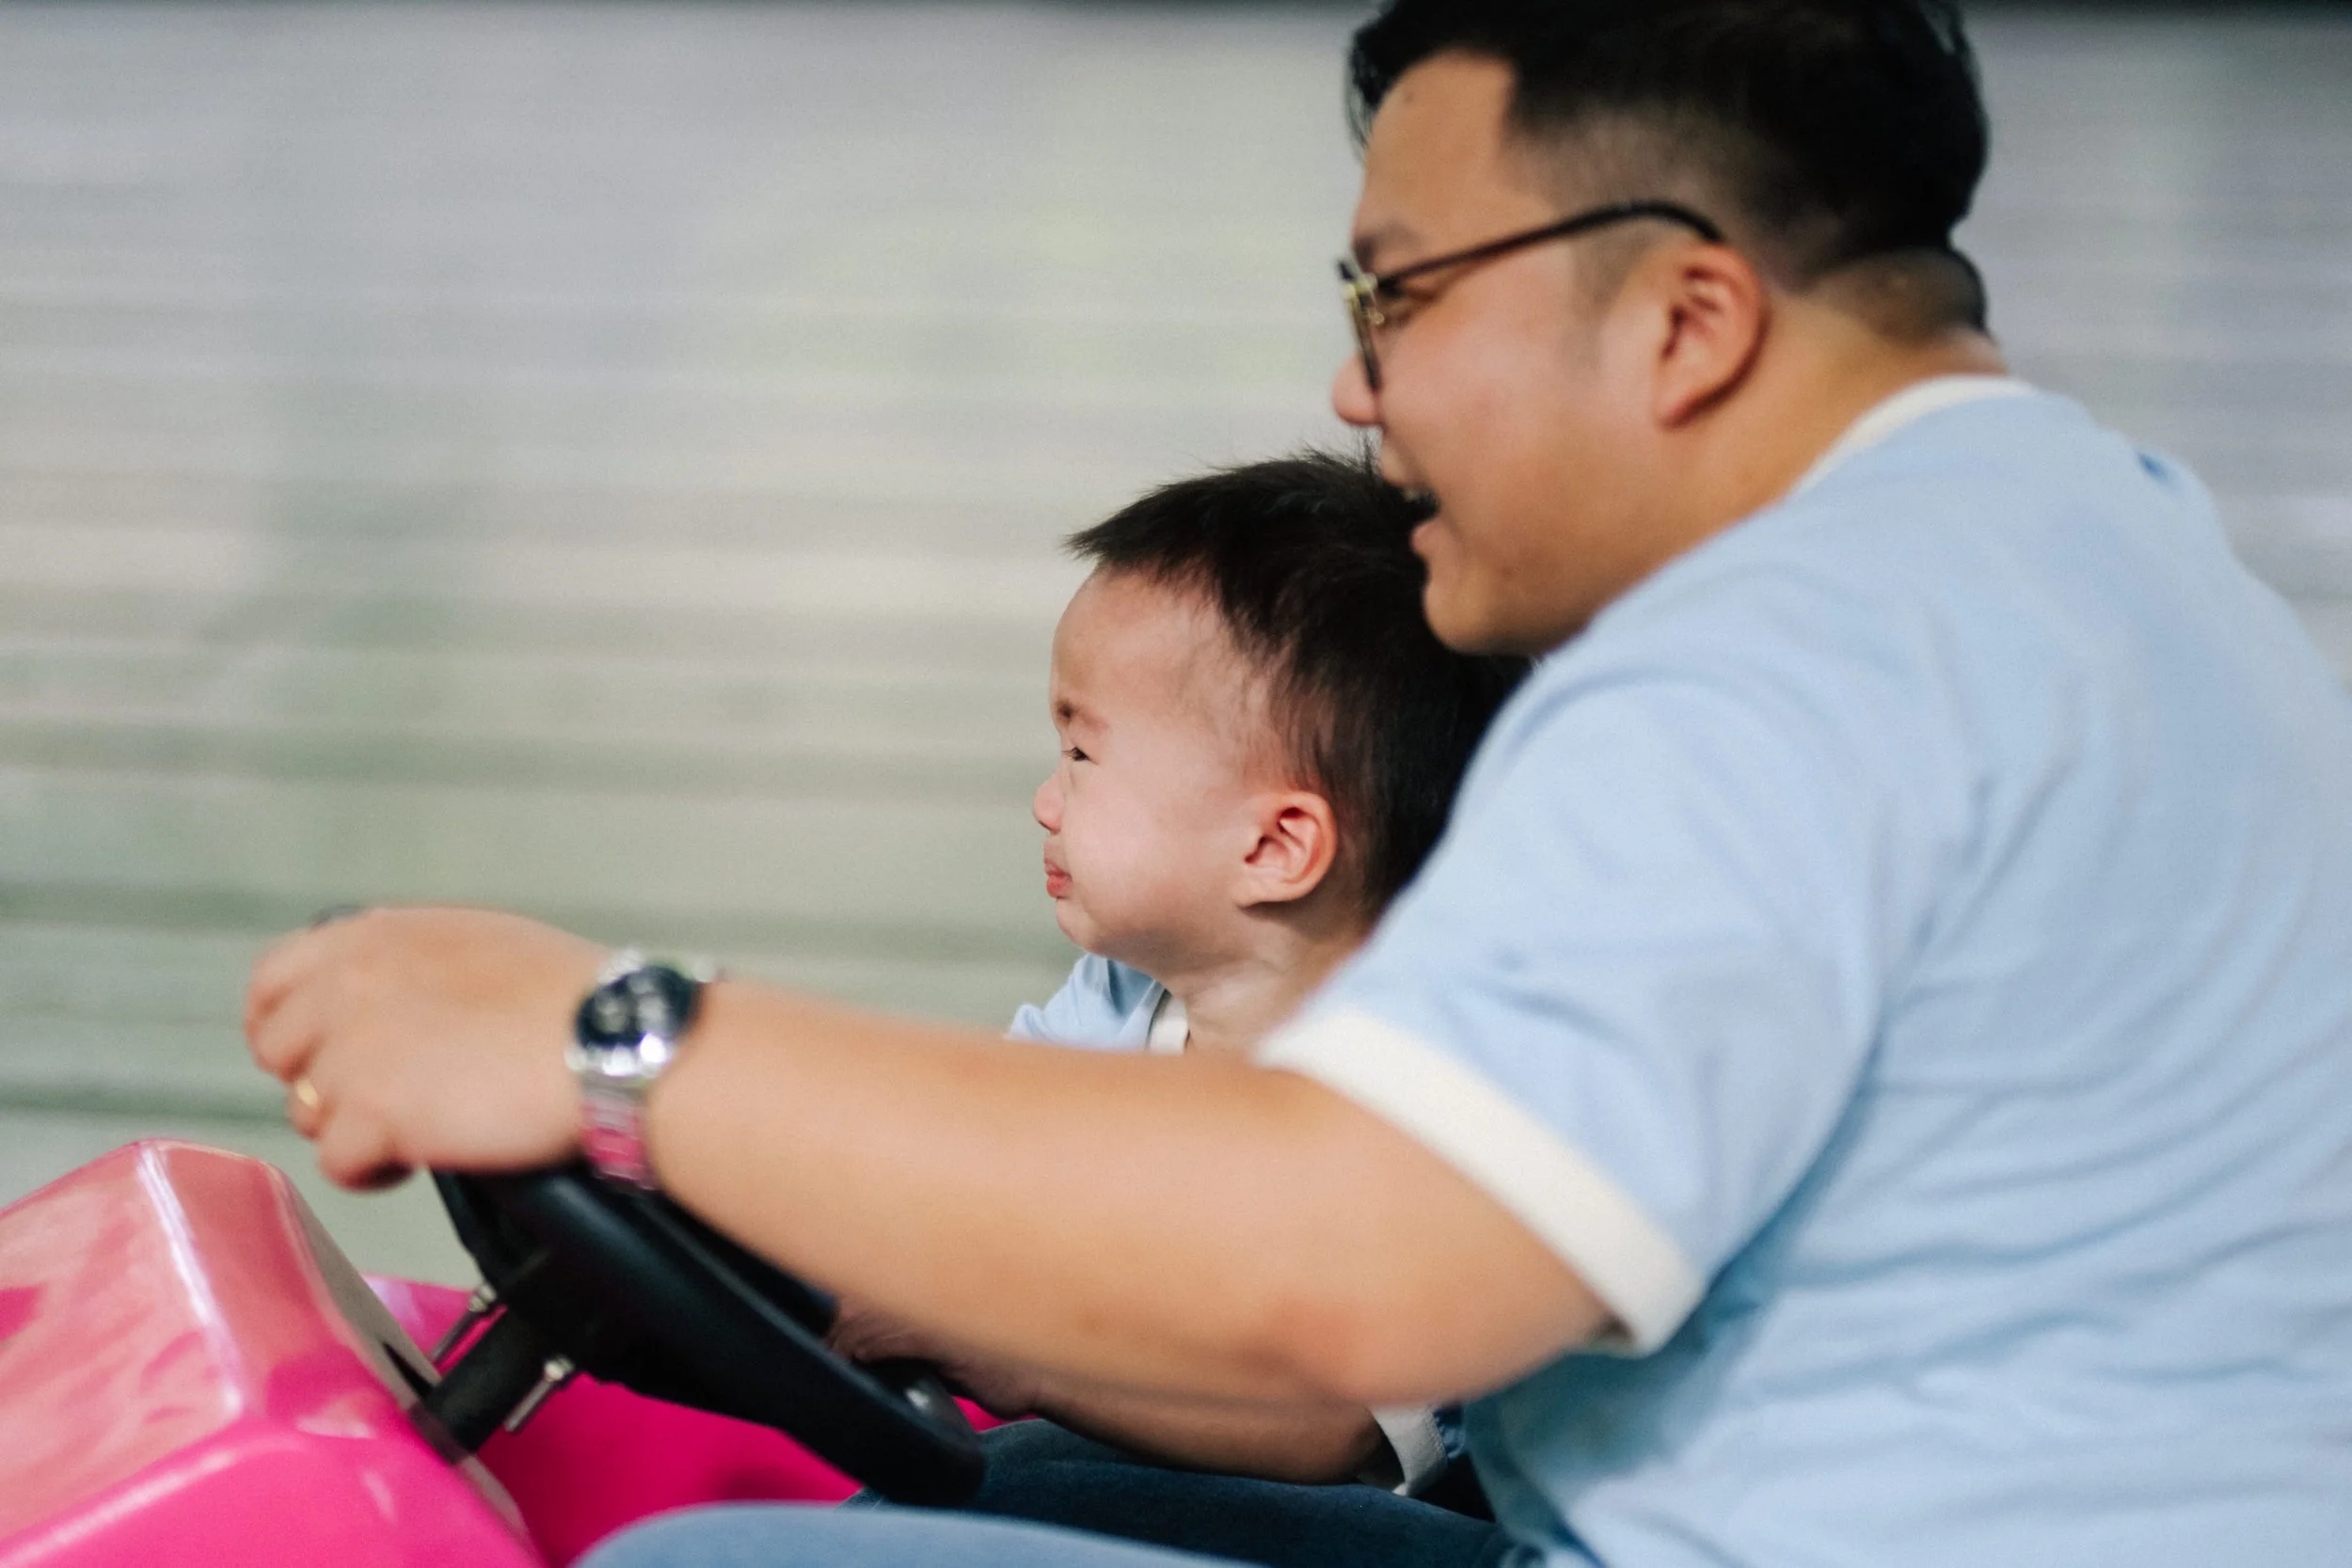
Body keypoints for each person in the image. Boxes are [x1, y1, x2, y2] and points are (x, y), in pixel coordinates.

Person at [246, 2, 2352, 1565]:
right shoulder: (2092, 549)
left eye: (1399, 291)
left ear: (1686, 319)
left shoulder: (1786, 661)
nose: (1358, 382)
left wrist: (612, 1038)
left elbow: (1355, 1265)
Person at [828, 454, 1524, 1537]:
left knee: (1012, 1481)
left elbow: (1335, 1429)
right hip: (1167, 1481)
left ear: (1274, 842)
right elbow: (962, 1156)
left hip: (1396, 1523)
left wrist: (1031, 1363)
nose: (1045, 799)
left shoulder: (1419, 1098)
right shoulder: (1115, 1003)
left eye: (1080, 750)